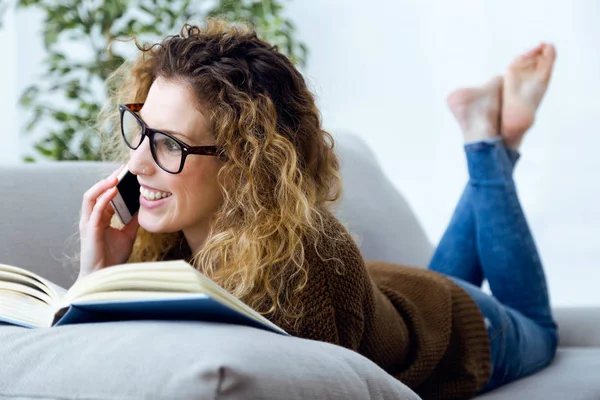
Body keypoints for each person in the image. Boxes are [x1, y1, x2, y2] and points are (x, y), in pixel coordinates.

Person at [77, 19, 558, 399]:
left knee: (540, 327)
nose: (137, 162)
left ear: (247, 164)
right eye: (140, 129)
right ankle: (491, 137)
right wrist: (96, 276)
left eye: (169, 144)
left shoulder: (302, 268)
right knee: (443, 285)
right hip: (401, 298)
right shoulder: (167, 242)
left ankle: (488, 141)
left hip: (461, 328)